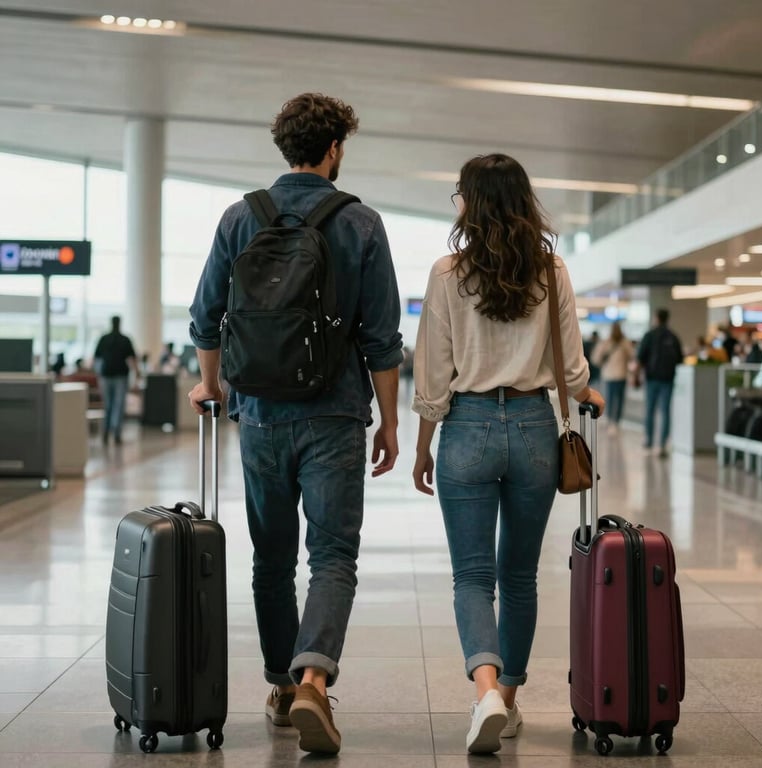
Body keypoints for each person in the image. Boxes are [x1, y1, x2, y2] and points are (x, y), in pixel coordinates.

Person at [187, 93, 403, 756]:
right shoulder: (359, 222)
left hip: (259, 415)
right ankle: (314, 675)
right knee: (333, 554)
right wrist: (390, 422)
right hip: (335, 413)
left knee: (271, 559)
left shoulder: (238, 218)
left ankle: (282, 684)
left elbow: (205, 316)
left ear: (285, 147)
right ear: (334, 148)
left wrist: (213, 384)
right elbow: (382, 337)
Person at [410, 154, 604, 755]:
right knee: (519, 575)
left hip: (466, 427)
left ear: (473, 200)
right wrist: (585, 389)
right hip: (532, 425)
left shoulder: (447, 273)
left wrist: (424, 444)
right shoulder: (552, 270)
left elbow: (433, 372)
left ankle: (486, 690)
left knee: (472, 575)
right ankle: (510, 702)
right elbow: (571, 368)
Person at [636, 308, 683, 458]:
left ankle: (649, 440)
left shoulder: (649, 335)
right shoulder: (673, 336)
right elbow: (680, 359)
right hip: (668, 379)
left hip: (652, 378)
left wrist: (636, 373)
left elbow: (640, 357)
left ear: (656, 318)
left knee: (650, 410)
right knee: (665, 411)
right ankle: (662, 443)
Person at [93, 315, 139, 444]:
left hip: (106, 375)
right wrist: (137, 375)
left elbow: (97, 359)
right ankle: (116, 433)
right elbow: (132, 360)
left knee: (108, 405)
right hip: (120, 375)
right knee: (118, 405)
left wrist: (98, 375)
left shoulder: (104, 339)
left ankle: (107, 432)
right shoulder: (125, 339)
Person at [591, 321, 634, 434]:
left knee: (612, 399)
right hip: (617, 375)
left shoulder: (611, 342)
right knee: (616, 399)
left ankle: (612, 421)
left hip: (613, 375)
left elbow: (595, 358)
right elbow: (632, 356)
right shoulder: (620, 342)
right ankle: (614, 422)